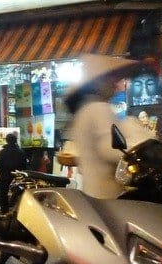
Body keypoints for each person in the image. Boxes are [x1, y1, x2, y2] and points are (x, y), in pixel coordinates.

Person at [65, 54, 154, 199]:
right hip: (109, 196)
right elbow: (110, 149)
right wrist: (142, 152)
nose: (115, 82)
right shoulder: (99, 109)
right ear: (96, 82)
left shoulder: (84, 110)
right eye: (110, 77)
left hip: (92, 193)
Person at [0, 133, 28, 214]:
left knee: (3, 194)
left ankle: (5, 212)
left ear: (6, 140)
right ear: (15, 140)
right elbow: (25, 166)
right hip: (17, 177)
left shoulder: (2, 152)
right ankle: (16, 211)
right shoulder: (21, 152)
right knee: (17, 193)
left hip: (4, 176)